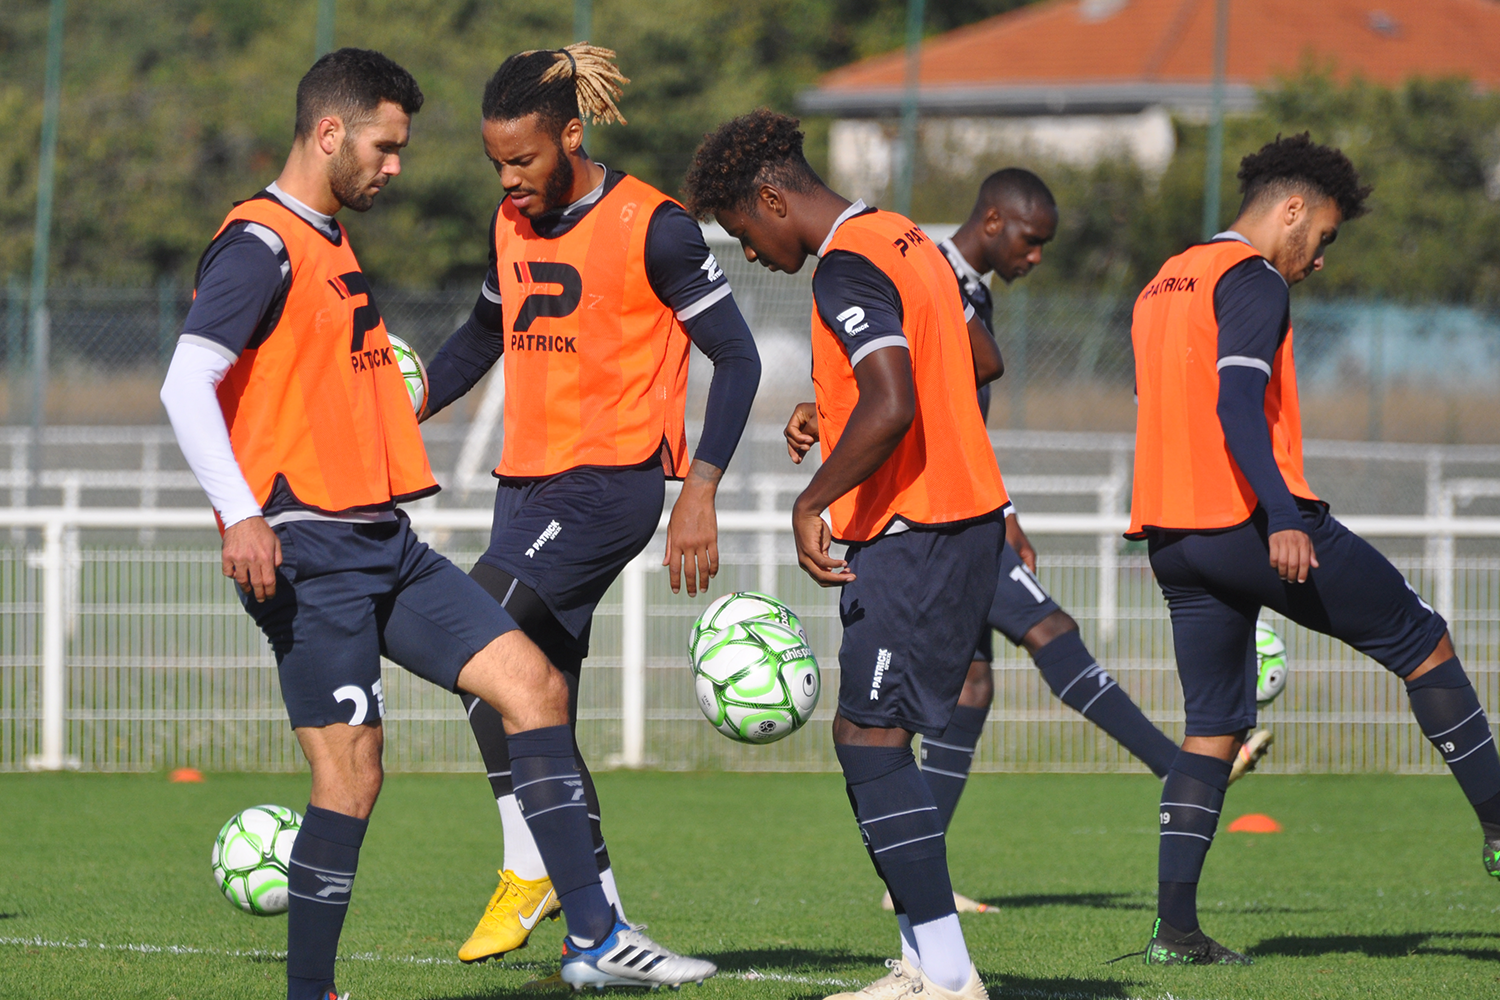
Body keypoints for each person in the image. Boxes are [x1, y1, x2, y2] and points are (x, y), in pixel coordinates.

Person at [159, 48, 667, 999]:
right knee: (352, 779)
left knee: (533, 688)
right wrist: (240, 515)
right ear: (329, 133)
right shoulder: (260, 242)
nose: (395, 166)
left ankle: (596, 939)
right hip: (305, 549)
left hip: (384, 542)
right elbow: (186, 381)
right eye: (385, 148)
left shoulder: (328, 238)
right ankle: (312, 991)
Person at [418, 44, 758, 983]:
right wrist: (400, 407)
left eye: (523, 159)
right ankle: (601, 932)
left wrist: (701, 487)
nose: (509, 179)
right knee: (532, 697)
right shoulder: (510, 220)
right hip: (523, 486)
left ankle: (533, 865)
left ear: (571, 134)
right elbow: (485, 332)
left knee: (476, 639)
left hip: (608, 485)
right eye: (496, 163)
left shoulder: (656, 227)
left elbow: (739, 358)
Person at [1127, 132, 1500, 965]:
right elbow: (1235, 405)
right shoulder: (1251, 277)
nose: (1319, 257)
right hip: (1251, 522)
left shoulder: (1165, 278)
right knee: (1421, 638)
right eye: (1323, 235)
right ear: (1290, 209)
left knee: (1215, 725)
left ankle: (1176, 930)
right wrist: (1283, 516)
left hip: (1171, 535)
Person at [684, 108, 1003, 1000]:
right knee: (870, 735)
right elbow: (975, 359)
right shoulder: (907, 237)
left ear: (774, 197)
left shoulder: (845, 268)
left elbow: (896, 400)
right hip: (955, 522)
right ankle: (924, 965)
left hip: (916, 530)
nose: (749, 253)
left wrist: (811, 498)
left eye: (745, 232)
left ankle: (944, 975)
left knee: (869, 739)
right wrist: (837, 404)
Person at [896, 169, 1271, 915]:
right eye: (1032, 242)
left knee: (974, 685)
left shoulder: (968, 287)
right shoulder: (935, 276)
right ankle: (1179, 768)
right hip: (937, 512)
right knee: (1052, 628)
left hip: (967, 506)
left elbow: (960, 417)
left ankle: (911, 876)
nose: (1037, 258)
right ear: (995, 220)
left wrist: (1002, 506)